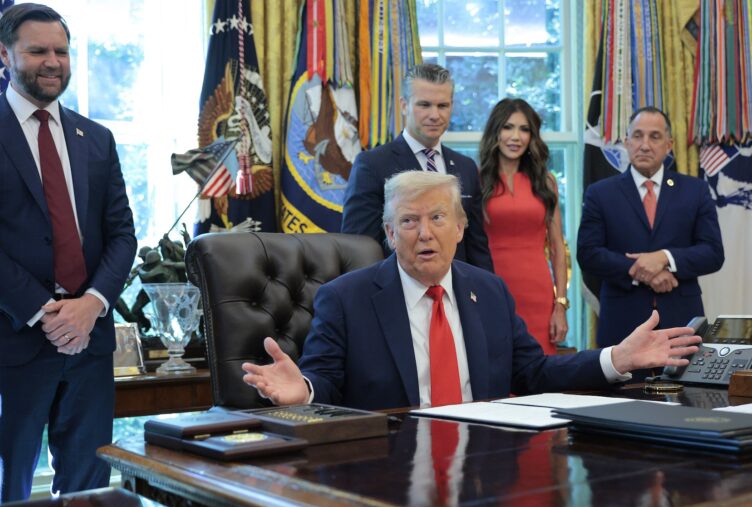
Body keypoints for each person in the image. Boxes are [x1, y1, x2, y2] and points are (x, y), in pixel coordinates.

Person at [242, 171, 700, 410]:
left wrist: (615, 358)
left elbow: (534, 374)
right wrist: (301, 390)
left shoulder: (490, 291)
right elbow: (326, 385)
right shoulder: (345, 298)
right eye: (409, 221)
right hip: (387, 470)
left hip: (485, 463)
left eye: (438, 218)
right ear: (388, 231)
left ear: (460, 228)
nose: (425, 233)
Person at [0, 3, 137, 505]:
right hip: (10, 342)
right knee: (8, 492)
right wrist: (44, 311)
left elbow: (122, 236)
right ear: (5, 54)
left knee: (90, 489)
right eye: (37, 51)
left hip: (89, 343)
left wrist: (91, 304)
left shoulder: (96, 138)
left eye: (62, 51)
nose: (53, 61)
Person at [577, 106, 724, 351]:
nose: (645, 145)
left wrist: (664, 258)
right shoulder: (600, 193)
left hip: (681, 321)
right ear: (626, 142)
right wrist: (640, 270)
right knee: (619, 390)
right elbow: (588, 253)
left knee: (687, 390)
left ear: (669, 145)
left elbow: (713, 253)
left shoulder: (695, 191)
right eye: (637, 136)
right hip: (622, 321)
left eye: (654, 137)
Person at [341, 63, 493, 272]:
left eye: (442, 106)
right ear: (404, 105)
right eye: (424, 105)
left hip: (455, 297)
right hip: (395, 295)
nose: (434, 115)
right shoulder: (372, 165)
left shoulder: (465, 168)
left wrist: (485, 298)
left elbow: (477, 249)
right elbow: (359, 250)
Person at [479, 98, 568, 355]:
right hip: (491, 292)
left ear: (532, 136)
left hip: (539, 294)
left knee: (539, 377)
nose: (515, 136)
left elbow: (558, 249)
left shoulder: (546, 182)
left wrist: (560, 304)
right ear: (495, 131)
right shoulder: (476, 181)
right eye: (508, 127)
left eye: (524, 129)